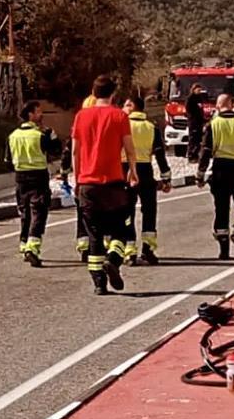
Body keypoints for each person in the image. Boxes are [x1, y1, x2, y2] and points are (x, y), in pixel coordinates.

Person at [70, 76, 139, 294]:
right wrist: (133, 172)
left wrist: (77, 179)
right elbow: (129, 149)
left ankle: (99, 283)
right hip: (114, 184)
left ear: (93, 92)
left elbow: (75, 151)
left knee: (94, 234)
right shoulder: (119, 116)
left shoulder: (81, 116)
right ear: (113, 94)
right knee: (121, 229)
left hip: (88, 184)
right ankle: (114, 259)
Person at [196, 92, 234, 259]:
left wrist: (200, 174)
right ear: (231, 105)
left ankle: (224, 251)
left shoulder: (213, 125)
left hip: (220, 170)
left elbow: (205, 151)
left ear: (217, 106)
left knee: (221, 209)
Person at [6, 101, 62, 267]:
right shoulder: (40, 135)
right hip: (38, 176)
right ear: (30, 115)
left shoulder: (12, 136)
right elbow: (56, 150)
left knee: (25, 212)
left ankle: (24, 244)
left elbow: (8, 162)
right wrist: (52, 135)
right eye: (38, 112)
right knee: (39, 211)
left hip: (20, 178)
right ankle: (33, 247)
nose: (41, 115)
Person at [120, 92, 172, 264]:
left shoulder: (122, 125)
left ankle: (129, 250)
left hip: (125, 170)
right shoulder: (151, 127)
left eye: (126, 105)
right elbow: (160, 154)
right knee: (149, 211)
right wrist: (166, 178)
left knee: (127, 211)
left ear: (132, 107)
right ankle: (148, 250)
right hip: (145, 171)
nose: (123, 108)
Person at [60, 91, 102, 261]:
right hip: (101, 177)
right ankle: (100, 245)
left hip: (83, 178)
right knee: (102, 213)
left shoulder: (78, 129)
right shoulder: (102, 130)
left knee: (83, 213)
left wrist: (65, 174)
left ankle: (84, 246)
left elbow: (69, 154)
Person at [185, 83, 208, 162]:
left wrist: (203, 119)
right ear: (194, 90)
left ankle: (196, 155)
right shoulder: (190, 99)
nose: (199, 91)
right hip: (193, 123)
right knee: (193, 140)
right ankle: (191, 156)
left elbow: (200, 110)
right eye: (198, 90)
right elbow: (189, 111)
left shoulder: (200, 98)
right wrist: (194, 119)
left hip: (199, 123)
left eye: (200, 90)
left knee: (198, 140)